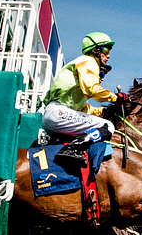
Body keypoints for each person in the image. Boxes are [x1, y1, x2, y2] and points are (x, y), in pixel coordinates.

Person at [41, 32, 128, 167]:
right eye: (106, 50)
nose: (108, 55)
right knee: (107, 126)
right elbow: (92, 89)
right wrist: (115, 98)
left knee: (101, 124)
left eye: (103, 73)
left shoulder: (79, 84)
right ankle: (70, 150)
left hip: (56, 115)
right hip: (57, 113)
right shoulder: (89, 61)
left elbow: (84, 110)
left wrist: (105, 112)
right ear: (95, 50)